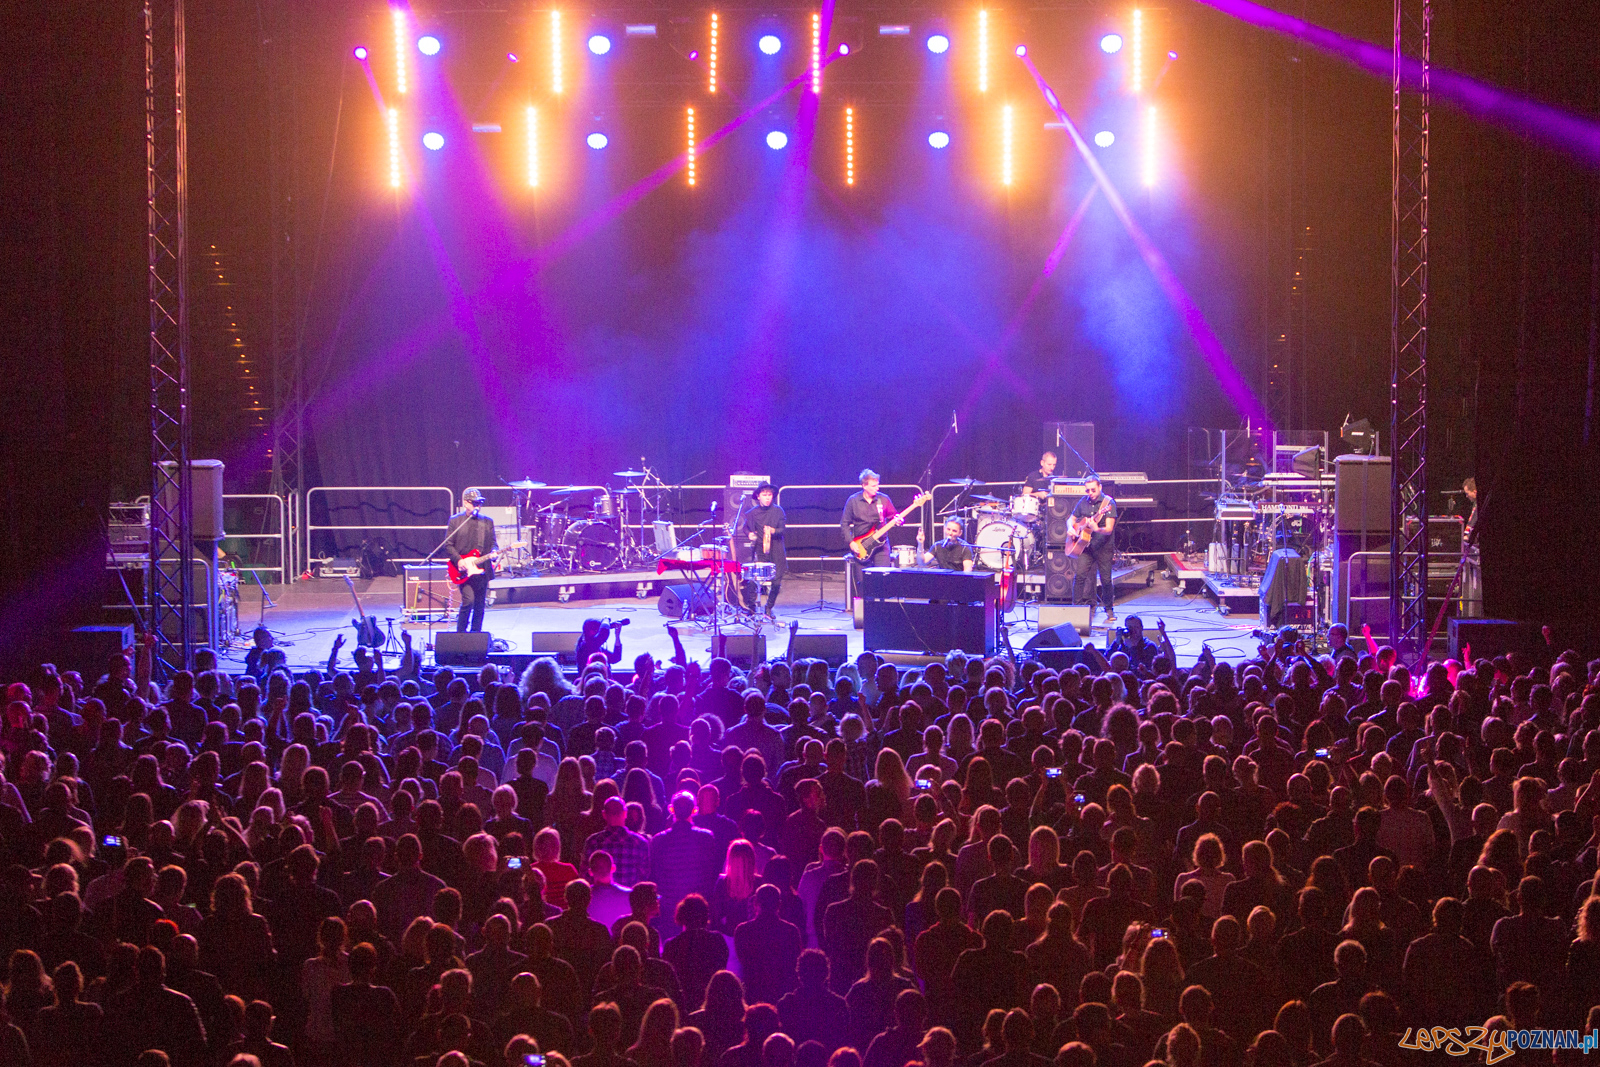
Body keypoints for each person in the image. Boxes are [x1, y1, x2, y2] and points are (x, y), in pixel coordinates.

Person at [445, 488, 498, 633]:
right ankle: (460, 634)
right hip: (463, 570)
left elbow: (494, 543)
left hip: (481, 570)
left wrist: (494, 552)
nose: (477, 507)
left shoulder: (487, 522)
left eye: (479, 504)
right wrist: (459, 560)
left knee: (480, 605)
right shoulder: (456, 521)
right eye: (474, 503)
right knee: (468, 601)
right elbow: (448, 545)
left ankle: (476, 636)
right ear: (465, 503)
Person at [1067, 476, 1117, 625]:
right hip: (1086, 547)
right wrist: (1071, 528)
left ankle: (1109, 609)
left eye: (1093, 490)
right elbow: (1071, 518)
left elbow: (1108, 530)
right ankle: (1077, 607)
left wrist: (1097, 528)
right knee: (1080, 576)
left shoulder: (1108, 504)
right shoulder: (1083, 501)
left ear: (1100, 487)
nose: (1090, 493)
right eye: (1087, 490)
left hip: (1104, 548)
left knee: (1106, 580)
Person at [841, 470, 898, 586]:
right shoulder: (853, 501)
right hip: (861, 546)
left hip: (881, 545)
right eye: (874, 486)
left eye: (878, 484)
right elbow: (844, 523)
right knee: (863, 582)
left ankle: (881, 604)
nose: (877, 488)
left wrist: (899, 521)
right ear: (864, 486)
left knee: (882, 580)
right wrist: (851, 542)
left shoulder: (884, 499)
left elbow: (894, 517)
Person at [743, 483, 787, 619]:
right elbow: (746, 528)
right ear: (758, 496)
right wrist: (749, 534)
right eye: (764, 495)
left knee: (776, 582)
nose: (768, 498)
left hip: (777, 550)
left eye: (769, 495)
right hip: (760, 551)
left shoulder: (778, 511)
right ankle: (751, 607)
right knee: (752, 580)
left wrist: (774, 531)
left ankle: (768, 607)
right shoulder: (752, 513)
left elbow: (782, 530)